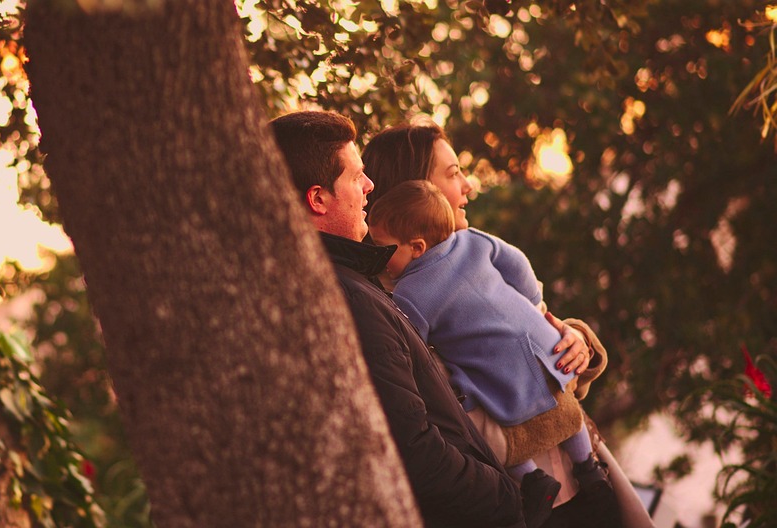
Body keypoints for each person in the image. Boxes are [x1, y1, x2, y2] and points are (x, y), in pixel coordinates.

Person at [361, 121, 654, 528]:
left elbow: (533, 328)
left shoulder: (476, 251)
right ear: (413, 194)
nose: (468, 187)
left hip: (583, 477)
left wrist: (578, 340)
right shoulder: (390, 305)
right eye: (452, 174)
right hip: (516, 504)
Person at [269, 110, 529, 527]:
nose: (369, 186)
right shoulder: (347, 297)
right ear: (317, 199)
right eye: (355, 178)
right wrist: (503, 498)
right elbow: (415, 452)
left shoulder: (351, 282)